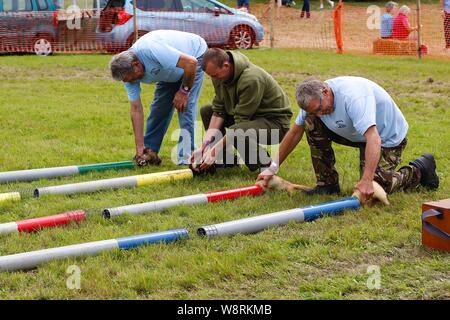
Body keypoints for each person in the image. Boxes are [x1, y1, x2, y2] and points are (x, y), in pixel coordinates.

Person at [257, 77, 439, 204]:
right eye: (315, 110)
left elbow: (373, 139)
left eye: (321, 108)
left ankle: (420, 170)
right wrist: (271, 168)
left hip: (385, 137)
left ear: (326, 91)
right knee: (310, 123)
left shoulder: (354, 98)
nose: (320, 113)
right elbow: (294, 134)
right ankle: (327, 184)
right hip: (355, 133)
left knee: (377, 188)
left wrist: (367, 180)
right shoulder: (313, 104)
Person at [109, 30, 207, 166]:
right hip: (169, 70)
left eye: (131, 78)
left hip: (194, 57)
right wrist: (139, 147)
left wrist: (184, 92)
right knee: (158, 109)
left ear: (136, 65)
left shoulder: (152, 50)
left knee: (185, 107)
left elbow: (191, 63)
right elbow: (136, 109)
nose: (130, 82)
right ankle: (148, 153)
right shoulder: (127, 75)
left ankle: (187, 157)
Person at [190, 48, 293, 173]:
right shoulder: (218, 75)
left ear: (226, 65)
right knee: (207, 111)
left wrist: (214, 150)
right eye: (211, 76)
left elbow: (239, 124)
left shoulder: (251, 79)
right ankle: (227, 161)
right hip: (249, 118)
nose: (214, 78)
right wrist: (203, 146)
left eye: (215, 75)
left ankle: (264, 162)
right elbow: (219, 111)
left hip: (275, 124)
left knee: (236, 130)